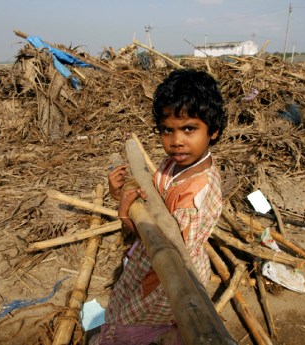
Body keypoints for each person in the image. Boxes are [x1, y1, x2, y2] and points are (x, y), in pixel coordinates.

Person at [91, 69, 227, 344]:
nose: (176, 140)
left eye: (189, 128)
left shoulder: (193, 197)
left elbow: (170, 252)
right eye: (168, 130)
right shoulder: (177, 164)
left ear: (213, 131)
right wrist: (124, 194)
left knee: (134, 324)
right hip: (149, 258)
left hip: (169, 277)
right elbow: (152, 198)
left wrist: (124, 212)